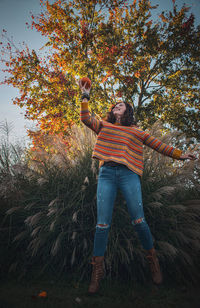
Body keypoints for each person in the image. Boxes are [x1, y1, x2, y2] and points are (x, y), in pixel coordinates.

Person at [79, 79, 197, 294]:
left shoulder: (137, 131)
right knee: (102, 224)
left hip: (129, 174)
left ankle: (153, 261)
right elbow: (86, 118)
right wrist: (85, 95)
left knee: (138, 219)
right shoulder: (104, 126)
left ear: (128, 111)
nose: (116, 106)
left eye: (121, 105)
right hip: (106, 174)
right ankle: (97, 272)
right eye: (114, 105)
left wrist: (181, 155)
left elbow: (159, 145)